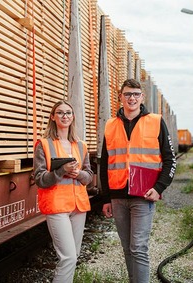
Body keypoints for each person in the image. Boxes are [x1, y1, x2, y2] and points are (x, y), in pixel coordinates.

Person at [101, 78, 176, 283]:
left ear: (142, 97)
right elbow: (105, 163)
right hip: (117, 197)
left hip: (144, 195)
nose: (131, 98)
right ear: (120, 97)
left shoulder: (155, 121)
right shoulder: (110, 125)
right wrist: (106, 198)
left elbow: (170, 160)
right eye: (127, 94)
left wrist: (159, 188)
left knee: (138, 248)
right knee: (127, 248)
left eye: (135, 94)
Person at [33, 100, 93, 283]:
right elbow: (40, 179)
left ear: (73, 117)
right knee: (68, 257)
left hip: (78, 206)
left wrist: (79, 173)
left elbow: (89, 176)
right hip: (57, 205)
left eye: (68, 113)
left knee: (73, 255)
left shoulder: (81, 145)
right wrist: (61, 171)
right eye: (60, 113)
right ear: (53, 117)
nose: (64, 116)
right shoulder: (43, 145)